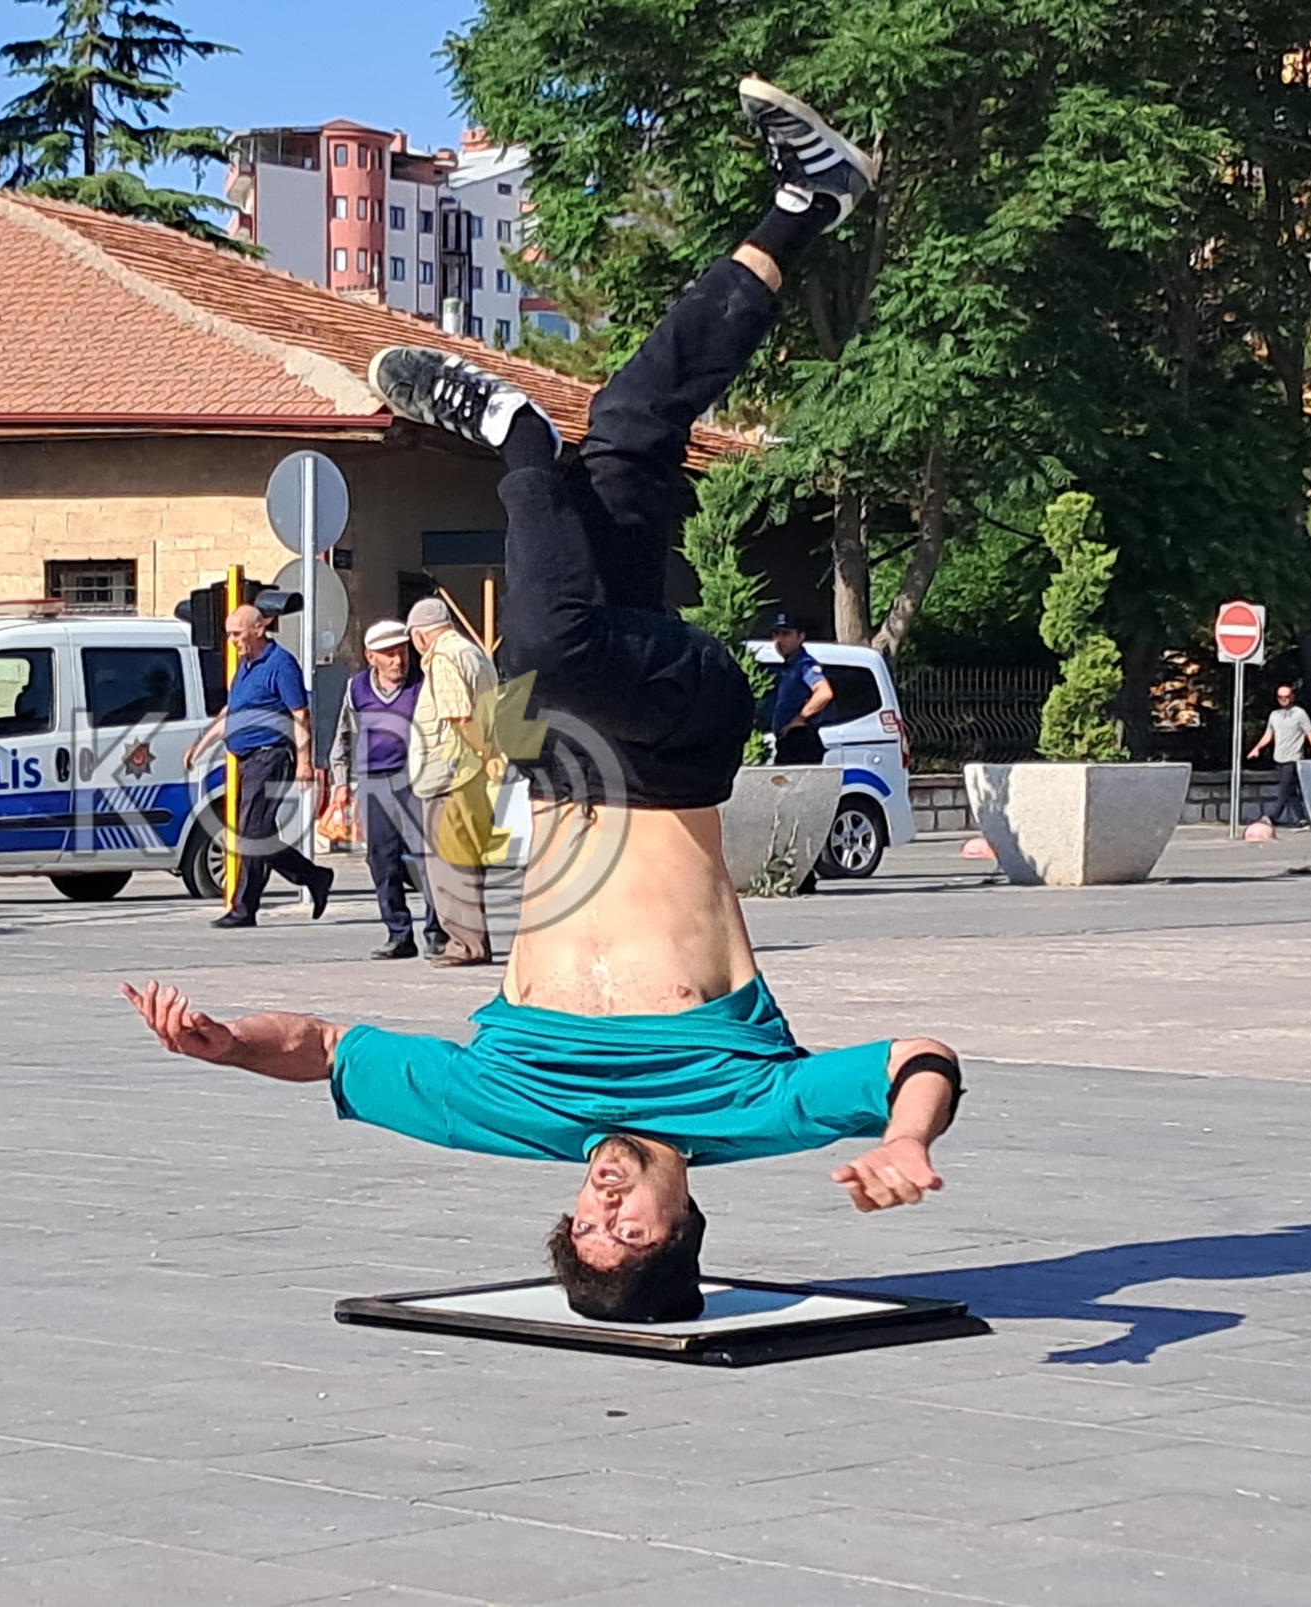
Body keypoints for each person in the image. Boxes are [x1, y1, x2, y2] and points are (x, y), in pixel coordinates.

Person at [124, 79, 963, 1324]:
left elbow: (330, 1049)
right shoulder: (745, 1112)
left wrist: (228, 1045)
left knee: (626, 435)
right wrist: (906, 1141)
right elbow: (918, 1059)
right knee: (557, 638)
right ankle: (513, 438)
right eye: (629, 1226)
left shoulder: (504, 1114)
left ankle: (802, 206)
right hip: (679, 747)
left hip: (555, 761)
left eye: (586, 1223)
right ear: (686, 1226)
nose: (604, 1202)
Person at [196, 603, 333, 929]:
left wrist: (304, 761)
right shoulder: (244, 665)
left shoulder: (280, 664)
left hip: (270, 755)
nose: (231, 640)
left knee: (252, 833)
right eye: (229, 634)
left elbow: (300, 713)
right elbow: (233, 710)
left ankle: (245, 908)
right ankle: (314, 876)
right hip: (246, 760)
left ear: (259, 629)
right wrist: (201, 744)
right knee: (258, 833)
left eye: (237, 633)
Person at [329, 620, 444, 959]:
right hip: (372, 781)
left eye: (402, 651)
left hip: (413, 778)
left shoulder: (421, 686)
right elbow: (343, 736)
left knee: (427, 860)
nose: (398, 660)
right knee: (381, 859)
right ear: (370, 657)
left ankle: (436, 932)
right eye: (389, 654)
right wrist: (340, 784)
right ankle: (398, 933)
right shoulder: (357, 689)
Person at [407, 596, 498, 966]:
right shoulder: (475, 654)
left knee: (449, 863)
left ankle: (464, 943)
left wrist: (483, 755)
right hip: (471, 775)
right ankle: (475, 940)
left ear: (420, 635)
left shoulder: (443, 659)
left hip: (449, 775)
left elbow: (459, 716)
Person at [1247, 682, 1311, 828]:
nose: (1284, 700)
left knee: (1284, 789)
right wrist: (1257, 748)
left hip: (1293, 759)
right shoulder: (1274, 715)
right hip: (1279, 758)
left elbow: (1309, 734)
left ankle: (1271, 817)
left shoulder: (1300, 714)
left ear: (1292, 697)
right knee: (1290, 791)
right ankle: (1301, 819)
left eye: (1286, 696)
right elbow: (1268, 735)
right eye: (1280, 697)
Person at [764, 610, 834, 765]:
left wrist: (799, 719)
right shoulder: (789, 666)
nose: (780, 640)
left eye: (786, 634)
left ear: (801, 636)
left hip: (800, 742)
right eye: (776, 634)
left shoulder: (804, 664)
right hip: (788, 743)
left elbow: (824, 693)